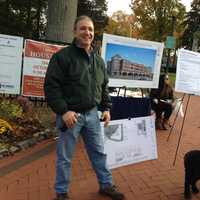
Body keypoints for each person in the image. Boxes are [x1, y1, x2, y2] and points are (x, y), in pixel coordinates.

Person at [44, 15, 125, 200]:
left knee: (99, 152)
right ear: (75, 31)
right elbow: (51, 86)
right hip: (71, 117)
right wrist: (63, 111)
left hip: (92, 115)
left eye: (90, 29)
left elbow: (103, 86)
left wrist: (106, 108)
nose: (87, 32)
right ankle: (61, 193)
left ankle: (106, 185)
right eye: (83, 28)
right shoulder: (62, 57)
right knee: (65, 158)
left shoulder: (99, 61)